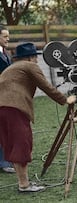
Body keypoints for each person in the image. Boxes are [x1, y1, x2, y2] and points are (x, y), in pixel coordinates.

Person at [0, 42, 77, 192]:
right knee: (22, 144)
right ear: (31, 57)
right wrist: (65, 100)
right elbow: (46, 86)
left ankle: (23, 182)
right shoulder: (30, 66)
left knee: (12, 144)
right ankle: (24, 185)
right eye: (35, 57)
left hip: (2, 108)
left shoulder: (11, 68)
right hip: (14, 108)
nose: (37, 61)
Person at [0, 24, 15, 174]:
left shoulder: (6, 53)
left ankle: (5, 160)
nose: (7, 39)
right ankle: (3, 162)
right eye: (4, 36)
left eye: (8, 36)